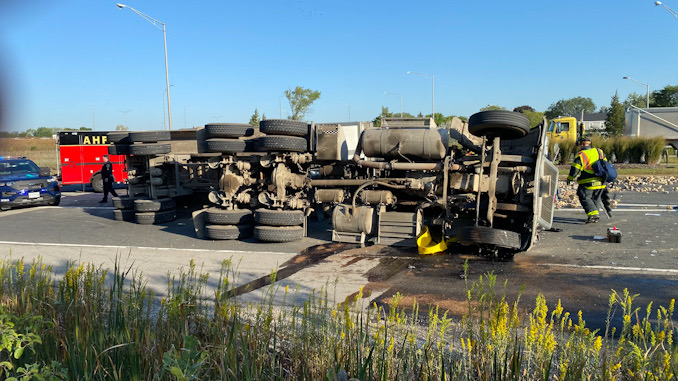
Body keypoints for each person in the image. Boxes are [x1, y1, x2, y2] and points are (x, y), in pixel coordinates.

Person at [566, 137, 607, 224]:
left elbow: (575, 169)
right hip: (600, 182)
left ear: (581, 144)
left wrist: (570, 178)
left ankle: (593, 215)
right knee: (596, 198)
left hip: (588, 181)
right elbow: (606, 164)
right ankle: (596, 216)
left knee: (584, 196)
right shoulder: (599, 151)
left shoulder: (581, 154)